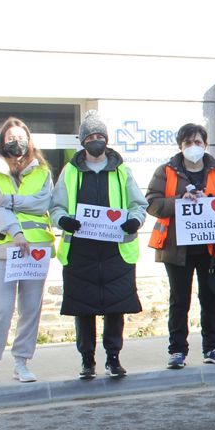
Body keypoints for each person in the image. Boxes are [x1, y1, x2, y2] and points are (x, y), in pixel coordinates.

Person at [50, 110, 148, 380]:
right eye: (91, 136)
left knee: (115, 307)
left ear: (107, 139)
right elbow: (56, 207)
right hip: (80, 250)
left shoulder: (122, 171)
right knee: (83, 308)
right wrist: (63, 221)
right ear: (82, 141)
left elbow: (139, 204)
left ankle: (113, 358)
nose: (96, 140)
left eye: (100, 136)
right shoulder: (69, 172)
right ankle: (87, 360)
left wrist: (134, 221)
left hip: (116, 249)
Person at [146, 123, 215, 370]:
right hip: (176, 248)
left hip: (210, 247)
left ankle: (212, 347)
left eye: (198, 142)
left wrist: (211, 201)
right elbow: (152, 203)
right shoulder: (166, 171)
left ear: (206, 145)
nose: (193, 147)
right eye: (188, 143)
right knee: (179, 299)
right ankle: (177, 351)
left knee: (210, 297)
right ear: (180, 146)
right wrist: (179, 201)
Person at [0, 118, 54, 386]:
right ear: (2, 141)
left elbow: (43, 201)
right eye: (10, 137)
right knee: (1, 308)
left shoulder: (42, 169)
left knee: (31, 308)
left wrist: (10, 200)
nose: (15, 141)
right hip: (5, 248)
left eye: (20, 136)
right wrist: (16, 231)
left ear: (29, 140)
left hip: (36, 249)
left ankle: (22, 362)